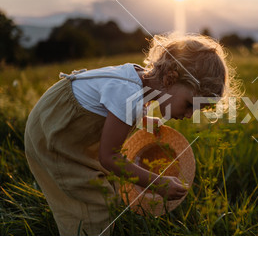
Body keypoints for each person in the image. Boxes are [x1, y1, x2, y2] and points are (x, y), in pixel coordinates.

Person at [24, 33, 241, 235]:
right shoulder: (128, 93)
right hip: (54, 138)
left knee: (108, 186)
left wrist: (143, 120)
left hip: (61, 128)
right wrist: (158, 183)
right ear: (170, 78)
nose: (188, 114)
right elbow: (109, 158)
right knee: (95, 202)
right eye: (189, 104)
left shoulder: (139, 81)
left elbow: (107, 109)